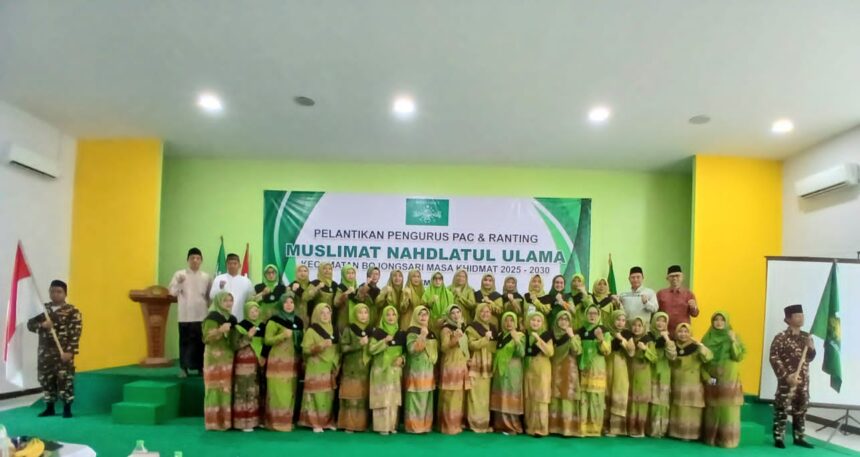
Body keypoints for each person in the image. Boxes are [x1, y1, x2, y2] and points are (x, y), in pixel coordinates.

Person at [27, 280, 82, 418]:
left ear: (65, 294)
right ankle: (49, 407)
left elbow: (76, 333)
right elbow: (30, 325)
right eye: (52, 291)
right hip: (45, 353)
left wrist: (70, 351)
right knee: (46, 380)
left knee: (65, 380)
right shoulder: (42, 310)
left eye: (59, 292)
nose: (55, 294)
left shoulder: (72, 311)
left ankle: (67, 408)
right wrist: (42, 325)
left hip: (63, 352)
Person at [769, 304, 816, 449]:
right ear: (788, 319)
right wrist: (785, 376)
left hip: (803, 380)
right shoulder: (781, 337)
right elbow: (774, 357)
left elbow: (810, 358)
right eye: (797, 316)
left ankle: (799, 437)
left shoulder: (806, 337)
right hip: (787, 381)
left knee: (801, 409)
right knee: (782, 408)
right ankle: (779, 437)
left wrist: (811, 347)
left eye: (802, 315)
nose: (801, 318)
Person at [702, 311, 745, 448]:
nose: (719, 322)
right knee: (713, 410)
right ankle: (711, 438)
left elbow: (738, 356)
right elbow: (702, 361)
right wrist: (707, 377)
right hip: (713, 378)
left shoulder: (734, 336)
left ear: (727, 322)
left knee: (728, 410)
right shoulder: (707, 338)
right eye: (716, 319)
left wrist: (732, 341)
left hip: (729, 379)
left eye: (722, 320)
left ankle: (728, 440)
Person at [168, 247, 211, 378]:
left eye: (198, 258)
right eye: (192, 258)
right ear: (188, 260)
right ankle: (184, 368)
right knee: (185, 343)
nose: (195, 260)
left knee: (200, 343)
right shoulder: (179, 275)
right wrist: (179, 283)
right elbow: (171, 292)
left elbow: (209, 296)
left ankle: (200, 368)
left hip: (201, 315)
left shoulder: (206, 277)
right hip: (185, 315)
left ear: (201, 260)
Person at [299, 303, 340, 433]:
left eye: (328, 313)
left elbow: (338, 349)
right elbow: (305, 350)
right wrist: (320, 346)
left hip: (329, 367)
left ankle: (326, 422)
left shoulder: (334, 330)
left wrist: (335, 363)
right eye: (322, 313)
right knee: (315, 395)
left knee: (328, 396)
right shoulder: (312, 330)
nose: (325, 316)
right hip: (315, 366)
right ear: (316, 314)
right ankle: (314, 423)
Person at [264, 293, 303, 432]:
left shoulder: (298, 321)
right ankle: (275, 422)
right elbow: (267, 340)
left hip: (292, 361)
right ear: (281, 304)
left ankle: (286, 421)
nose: (289, 305)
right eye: (286, 302)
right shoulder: (274, 320)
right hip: (277, 361)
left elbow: (301, 340)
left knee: (290, 392)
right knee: (277, 392)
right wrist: (282, 335)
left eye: (291, 302)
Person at [668, 323, 713, 441]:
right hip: (677, 382)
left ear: (690, 333)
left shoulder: (695, 347)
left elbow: (708, 357)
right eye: (680, 332)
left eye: (686, 332)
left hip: (693, 383)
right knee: (678, 406)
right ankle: (676, 432)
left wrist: (700, 345)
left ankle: (691, 434)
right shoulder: (673, 347)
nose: (683, 334)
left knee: (691, 408)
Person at [201, 292, 236, 431]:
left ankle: (225, 422)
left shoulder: (232, 319)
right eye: (225, 300)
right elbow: (206, 338)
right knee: (213, 388)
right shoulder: (212, 317)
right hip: (213, 358)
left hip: (227, 357)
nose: (228, 303)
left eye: (230, 300)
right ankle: (213, 422)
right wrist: (220, 330)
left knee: (225, 388)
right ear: (218, 302)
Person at [369, 305, 406, 435]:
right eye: (388, 314)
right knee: (382, 399)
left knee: (393, 399)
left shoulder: (401, 333)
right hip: (381, 370)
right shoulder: (378, 333)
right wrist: (384, 341)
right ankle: (382, 427)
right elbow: (371, 349)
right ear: (383, 317)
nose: (391, 317)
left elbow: (405, 352)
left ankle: (392, 426)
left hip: (395, 371)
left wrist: (402, 358)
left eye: (393, 314)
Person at [338, 302, 373, 433]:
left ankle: (361, 425)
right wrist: (359, 344)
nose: (363, 315)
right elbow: (343, 348)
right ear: (354, 314)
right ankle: (349, 425)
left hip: (366, 369)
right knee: (351, 398)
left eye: (366, 312)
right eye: (360, 312)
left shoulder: (371, 330)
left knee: (362, 399)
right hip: (351, 370)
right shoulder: (349, 329)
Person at [578, 303, 612, 437]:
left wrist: (601, 339)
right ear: (586, 315)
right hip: (584, 367)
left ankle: (595, 428)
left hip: (597, 368)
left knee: (596, 397)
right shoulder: (581, 330)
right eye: (590, 313)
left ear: (599, 315)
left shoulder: (604, 330)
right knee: (584, 397)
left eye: (595, 313)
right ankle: (582, 427)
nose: (592, 316)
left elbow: (607, 351)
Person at [404, 306, 438, 433]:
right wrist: (422, 336)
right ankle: (414, 427)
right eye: (420, 314)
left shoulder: (431, 332)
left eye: (426, 314)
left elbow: (434, 351)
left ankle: (425, 426)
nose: (423, 317)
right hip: (416, 370)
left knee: (426, 399)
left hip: (428, 370)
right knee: (415, 397)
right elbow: (412, 350)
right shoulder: (412, 332)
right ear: (415, 316)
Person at [490, 311, 525, 435]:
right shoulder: (501, 335)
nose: (508, 323)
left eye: (511, 320)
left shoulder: (520, 335)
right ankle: (500, 425)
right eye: (506, 320)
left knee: (511, 395)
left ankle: (513, 426)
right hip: (499, 370)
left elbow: (521, 353)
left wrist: (516, 340)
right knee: (500, 396)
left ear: (515, 323)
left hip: (513, 370)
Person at [548, 310, 582, 436]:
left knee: (568, 394)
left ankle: (568, 428)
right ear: (557, 321)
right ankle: (554, 427)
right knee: (555, 393)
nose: (563, 322)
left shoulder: (574, 336)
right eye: (561, 319)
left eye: (566, 319)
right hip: (556, 368)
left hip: (569, 369)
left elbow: (577, 350)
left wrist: (571, 336)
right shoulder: (551, 335)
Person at [439, 304, 471, 435]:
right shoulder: (446, 329)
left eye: (458, 312)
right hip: (450, 365)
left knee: (458, 398)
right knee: (449, 397)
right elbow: (444, 347)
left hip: (461, 365)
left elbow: (465, 348)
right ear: (449, 315)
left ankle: (456, 424)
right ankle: (448, 426)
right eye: (453, 313)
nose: (456, 315)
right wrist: (455, 338)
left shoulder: (462, 328)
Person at [233, 301, 265, 431]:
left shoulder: (262, 326)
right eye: (251, 311)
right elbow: (235, 345)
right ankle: (244, 422)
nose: (254, 313)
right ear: (246, 312)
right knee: (244, 390)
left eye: (256, 310)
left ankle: (256, 420)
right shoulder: (240, 326)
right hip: (244, 363)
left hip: (259, 362)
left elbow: (266, 343)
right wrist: (248, 336)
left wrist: (264, 356)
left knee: (258, 390)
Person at [466, 302, 497, 433]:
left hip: (487, 364)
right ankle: (474, 423)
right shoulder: (472, 327)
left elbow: (494, 346)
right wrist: (485, 339)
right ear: (478, 313)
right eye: (482, 311)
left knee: (485, 396)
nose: (485, 314)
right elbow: (471, 345)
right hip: (476, 362)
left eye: (488, 312)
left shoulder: (493, 327)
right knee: (475, 395)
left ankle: (484, 423)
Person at [604, 309, 635, 436]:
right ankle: (605, 426)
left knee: (619, 391)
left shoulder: (626, 333)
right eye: (618, 319)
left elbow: (631, 352)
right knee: (607, 391)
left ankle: (617, 428)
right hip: (607, 364)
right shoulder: (606, 331)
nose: (620, 323)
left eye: (623, 320)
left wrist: (621, 339)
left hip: (621, 365)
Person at [523, 312, 554, 436]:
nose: (535, 323)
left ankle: (541, 428)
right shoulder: (525, 335)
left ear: (542, 323)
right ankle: (530, 427)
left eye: (538, 321)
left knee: (541, 399)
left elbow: (550, 352)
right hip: (528, 369)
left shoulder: (546, 335)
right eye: (533, 320)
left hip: (542, 370)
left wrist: (538, 339)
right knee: (529, 398)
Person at [648, 311, 677, 438]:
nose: (660, 323)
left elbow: (672, 356)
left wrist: (666, 339)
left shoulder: (668, 338)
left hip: (664, 371)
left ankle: (660, 429)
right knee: (651, 399)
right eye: (658, 320)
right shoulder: (648, 336)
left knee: (662, 400)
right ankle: (650, 428)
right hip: (650, 370)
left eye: (663, 321)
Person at [627, 316, 657, 438]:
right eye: (634, 325)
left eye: (639, 326)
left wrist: (645, 349)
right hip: (630, 372)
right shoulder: (629, 339)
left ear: (644, 327)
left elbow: (654, 358)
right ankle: (630, 428)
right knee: (631, 400)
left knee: (642, 401)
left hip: (643, 374)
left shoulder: (648, 340)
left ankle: (640, 429)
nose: (636, 328)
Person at [209, 253, 254, 320]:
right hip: (222, 318)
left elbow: (251, 300)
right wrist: (220, 288)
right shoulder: (219, 279)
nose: (232, 266)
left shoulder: (247, 281)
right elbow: (212, 296)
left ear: (239, 265)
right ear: (226, 265)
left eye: (235, 264)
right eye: (230, 264)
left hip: (240, 317)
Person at [656, 265, 699, 335]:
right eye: (672, 276)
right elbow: (655, 314)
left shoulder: (689, 294)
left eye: (677, 276)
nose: (675, 278)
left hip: (683, 333)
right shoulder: (660, 293)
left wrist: (694, 307)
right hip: (665, 333)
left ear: (682, 277)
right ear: (667, 278)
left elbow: (695, 314)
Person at [302, 262, 339, 326]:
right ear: (320, 270)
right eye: (324, 268)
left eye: (329, 269)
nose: (327, 271)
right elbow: (305, 297)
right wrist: (317, 288)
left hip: (331, 317)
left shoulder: (334, 285)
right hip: (317, 316)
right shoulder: (315, 283)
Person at [423, 271, 454, 335]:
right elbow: (422, 308)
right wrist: (429, 302)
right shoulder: (427, 292)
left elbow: (451, 309)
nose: (437, 281)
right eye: (435, 278)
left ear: (442, 280)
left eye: (440, 279)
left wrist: (443, 319)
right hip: (430, 323)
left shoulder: (449, 294)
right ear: (432, 280)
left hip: (445, 323)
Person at [334, 264, 358, 334]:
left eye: (352, 273)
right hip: (344, 317)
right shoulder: (341, 287)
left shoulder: (356, 287)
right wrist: (346, 293)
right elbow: (336, 303)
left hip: (355, 317)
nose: (351, 275)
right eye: (348, 273)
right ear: (344, 274)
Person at [287, 264, 312, 329]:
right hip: (294, 316)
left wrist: (299, 290)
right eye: (300, 271)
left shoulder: (311, 285)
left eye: (305, 271)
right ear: (296, 273)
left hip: (309, 316)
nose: (302, 273)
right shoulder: (292, 284)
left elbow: (310, 298)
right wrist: (293, 291)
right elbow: (286, 299)